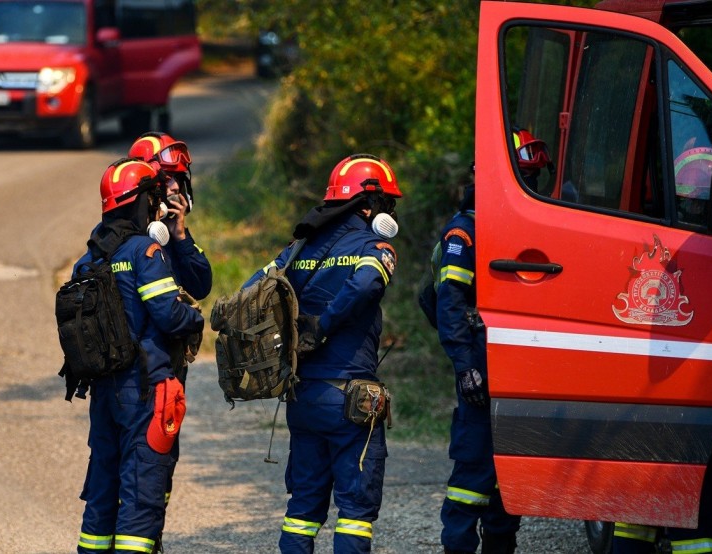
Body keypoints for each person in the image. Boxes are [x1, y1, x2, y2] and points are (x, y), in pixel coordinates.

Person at [241, 153, 402, 553]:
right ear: (369, 205)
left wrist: (293, 335)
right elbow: (366, 286)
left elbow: (249, 291)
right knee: (354, 511)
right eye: (387, 203)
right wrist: (324, 326)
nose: (390, 212)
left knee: (302, 508)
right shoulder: (375, 245)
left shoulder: (297, 248)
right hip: (350, 399)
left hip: (303, 395)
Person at [73, 158, 204, 554]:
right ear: (141, 203)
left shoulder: (90, 257)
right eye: (152, 199)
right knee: (141, 492)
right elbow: (169, 314)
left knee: (102, 487)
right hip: (144, 391)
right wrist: (194, 317)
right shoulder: (145, 251)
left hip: (103, 391)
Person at [436, 150, 538, 553]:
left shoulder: (525, 226)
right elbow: (450, 302)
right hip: (480, 365)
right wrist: (464, 366)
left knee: (508, 471)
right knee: (473, 472)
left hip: (515, 364)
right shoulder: (464, 233)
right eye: (523, 176)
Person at [127, 132, 211, 553]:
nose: (176, 188)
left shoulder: (166, 236)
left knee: (159, 472)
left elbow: (201, 282)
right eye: (166, 181)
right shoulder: (133, 241)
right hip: (142, 378)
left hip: (167, 377)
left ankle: (150, 540)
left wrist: (179, 235)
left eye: (179, 179)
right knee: (140, 476)